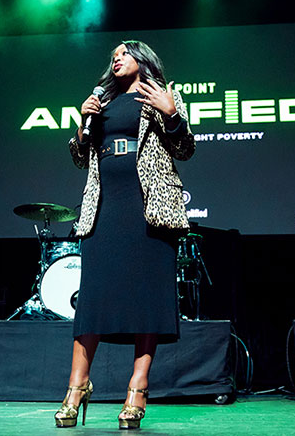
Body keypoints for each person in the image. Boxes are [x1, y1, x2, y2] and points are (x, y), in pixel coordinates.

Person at [54, 40, 195, 429]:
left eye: (123, 53)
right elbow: (81, 158)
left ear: (143, 59)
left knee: (148, 298)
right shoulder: (101, 105)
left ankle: (138, 387)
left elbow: (184, 150)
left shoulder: (164, 96)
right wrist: (83, 127)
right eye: (112, 55)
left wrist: (172, 116)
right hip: (104, 208)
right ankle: (77, 386)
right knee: (94, 299)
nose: (115, 58)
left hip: (149, 209)